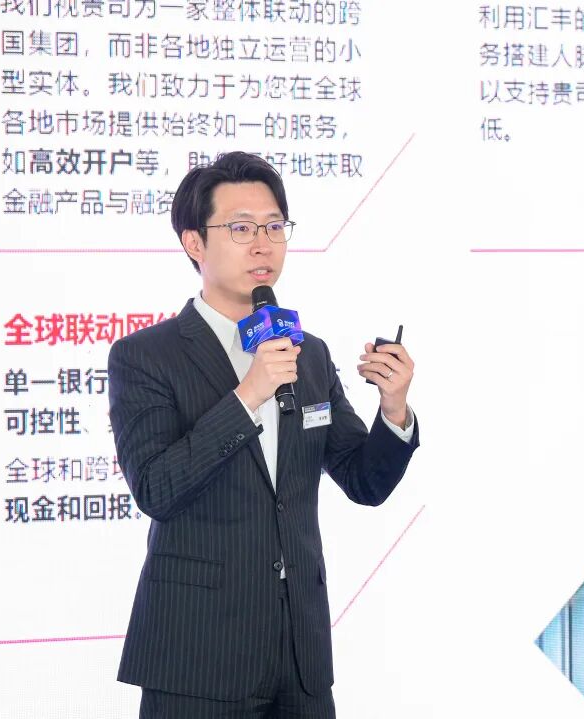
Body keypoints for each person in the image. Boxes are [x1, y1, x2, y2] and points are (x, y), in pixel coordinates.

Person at [107, 151, 420, 718]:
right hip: (196, 656)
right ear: (194, 243)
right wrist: (248, 395)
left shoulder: (308, 353)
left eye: (275, 227)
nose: (263, 245)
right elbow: (156, 488)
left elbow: (363, 481)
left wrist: (394, 408)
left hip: (300, 658)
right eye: (241, 228)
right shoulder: (146, 356)